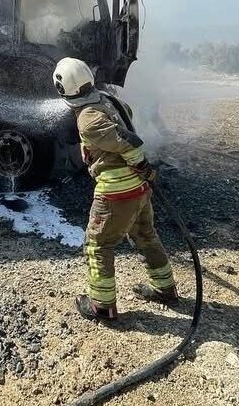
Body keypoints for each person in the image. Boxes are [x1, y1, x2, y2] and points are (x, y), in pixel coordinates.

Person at [52, 57, 177, 321]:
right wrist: (142, 172)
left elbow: (129, 142)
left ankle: (102, 306)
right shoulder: (109, 100)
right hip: (139, 190)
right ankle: (165, 288)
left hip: (116, 192)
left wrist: (141, 163)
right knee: (146, 235)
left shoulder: (88, 118)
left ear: (62, 88)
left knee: (98, 245)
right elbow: (126, 118)